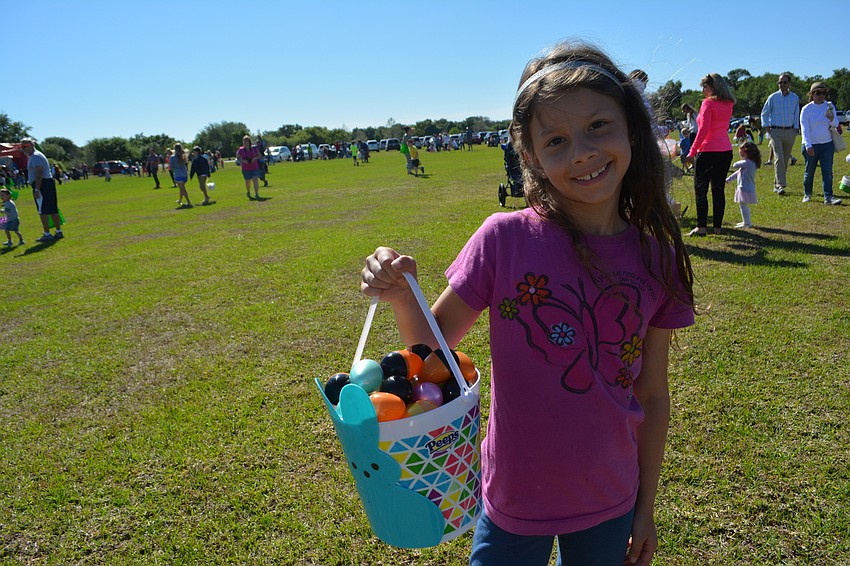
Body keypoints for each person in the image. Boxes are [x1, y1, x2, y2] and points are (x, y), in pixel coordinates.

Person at [361, 41, 695, 566]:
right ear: (531, 155)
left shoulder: (657, 257)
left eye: (598, 126)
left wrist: (645, 506)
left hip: (611, 498)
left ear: (631, 127)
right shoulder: (505, 239)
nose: (582, 152)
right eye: (556, 140)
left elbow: (652, 395)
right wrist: (403, 293)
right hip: (515, 497)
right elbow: (431, 347)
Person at [685, 73, 735, 236]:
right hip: (725, 150)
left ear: (712, 87)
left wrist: (691, 152)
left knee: (701, 189)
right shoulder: (729, 103)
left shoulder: (708, 103)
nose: (703, 90)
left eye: (704, 87)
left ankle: (701, 226)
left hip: (707, 151)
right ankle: (718, 227)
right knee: (718, 189)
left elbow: (703, 130)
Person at [800, 82, 841, 205]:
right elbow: (804, 129)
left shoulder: (829, 106)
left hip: (827, 144)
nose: (821, 95)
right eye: (817, 93)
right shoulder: (806, 109)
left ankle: (828, 197)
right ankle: (807, 194)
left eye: (823, 93)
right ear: (812, 94)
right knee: (809, 172)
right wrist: (808, 145)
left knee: (827, 172)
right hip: (811, 145)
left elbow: (836, 125)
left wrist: (832, 119)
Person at [760, 73, 800, 195]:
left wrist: (795, 129)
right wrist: (767, 129)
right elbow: (764, 113)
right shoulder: (772, 97)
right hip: (775, 131)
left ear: (789, 84)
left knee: (785, 159)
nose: (782, 84)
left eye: (785, 82)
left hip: (790, 131)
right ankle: (780, 184)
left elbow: (796, 114)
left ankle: (776, 185)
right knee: (779, 157)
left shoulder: (794, 98)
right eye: (780, 82)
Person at [20, 138, 63, 242]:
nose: (24, 148)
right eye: (22, 146)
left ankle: (47, 234)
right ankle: (58, 232)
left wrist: (36, 189)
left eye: (26, 146)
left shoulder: (35, 156)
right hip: (47, 183)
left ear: (32, 145)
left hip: (42, 184)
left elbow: (39, 173)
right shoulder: (36, 155)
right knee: (52, 208)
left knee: (42, 210)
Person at [725, 141, 761, 228]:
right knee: (743, 205)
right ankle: (746, 221)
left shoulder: (747, 163)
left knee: (743, 206)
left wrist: (743, 159)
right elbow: (738, 173)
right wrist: (728, 179)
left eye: (742, 153)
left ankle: (747, 223)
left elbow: (735, 165)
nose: (740, 155)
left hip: (745, 188)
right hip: (744, 187)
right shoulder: (749, 163)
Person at [236, 135, 262, 199]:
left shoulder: (254, 148)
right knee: (248, 181)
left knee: (255, 179)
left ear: (249, 142)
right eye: (244, 141)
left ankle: (256, 193)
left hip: (254, 166)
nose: (245, 143)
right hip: (245, 168)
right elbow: (237, 157)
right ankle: (248, 191)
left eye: (246, 141)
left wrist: (254, 158)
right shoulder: (241, 149)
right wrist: (243, 161)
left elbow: (259, 155)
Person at [169, 143, 192, 208]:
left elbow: (171, 167)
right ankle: (180, 200)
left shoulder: (172, 157)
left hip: (178, 174)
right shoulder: (184, 156)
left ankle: (188, 202)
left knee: (182, 188)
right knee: (181, 188)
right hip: (184, 174)